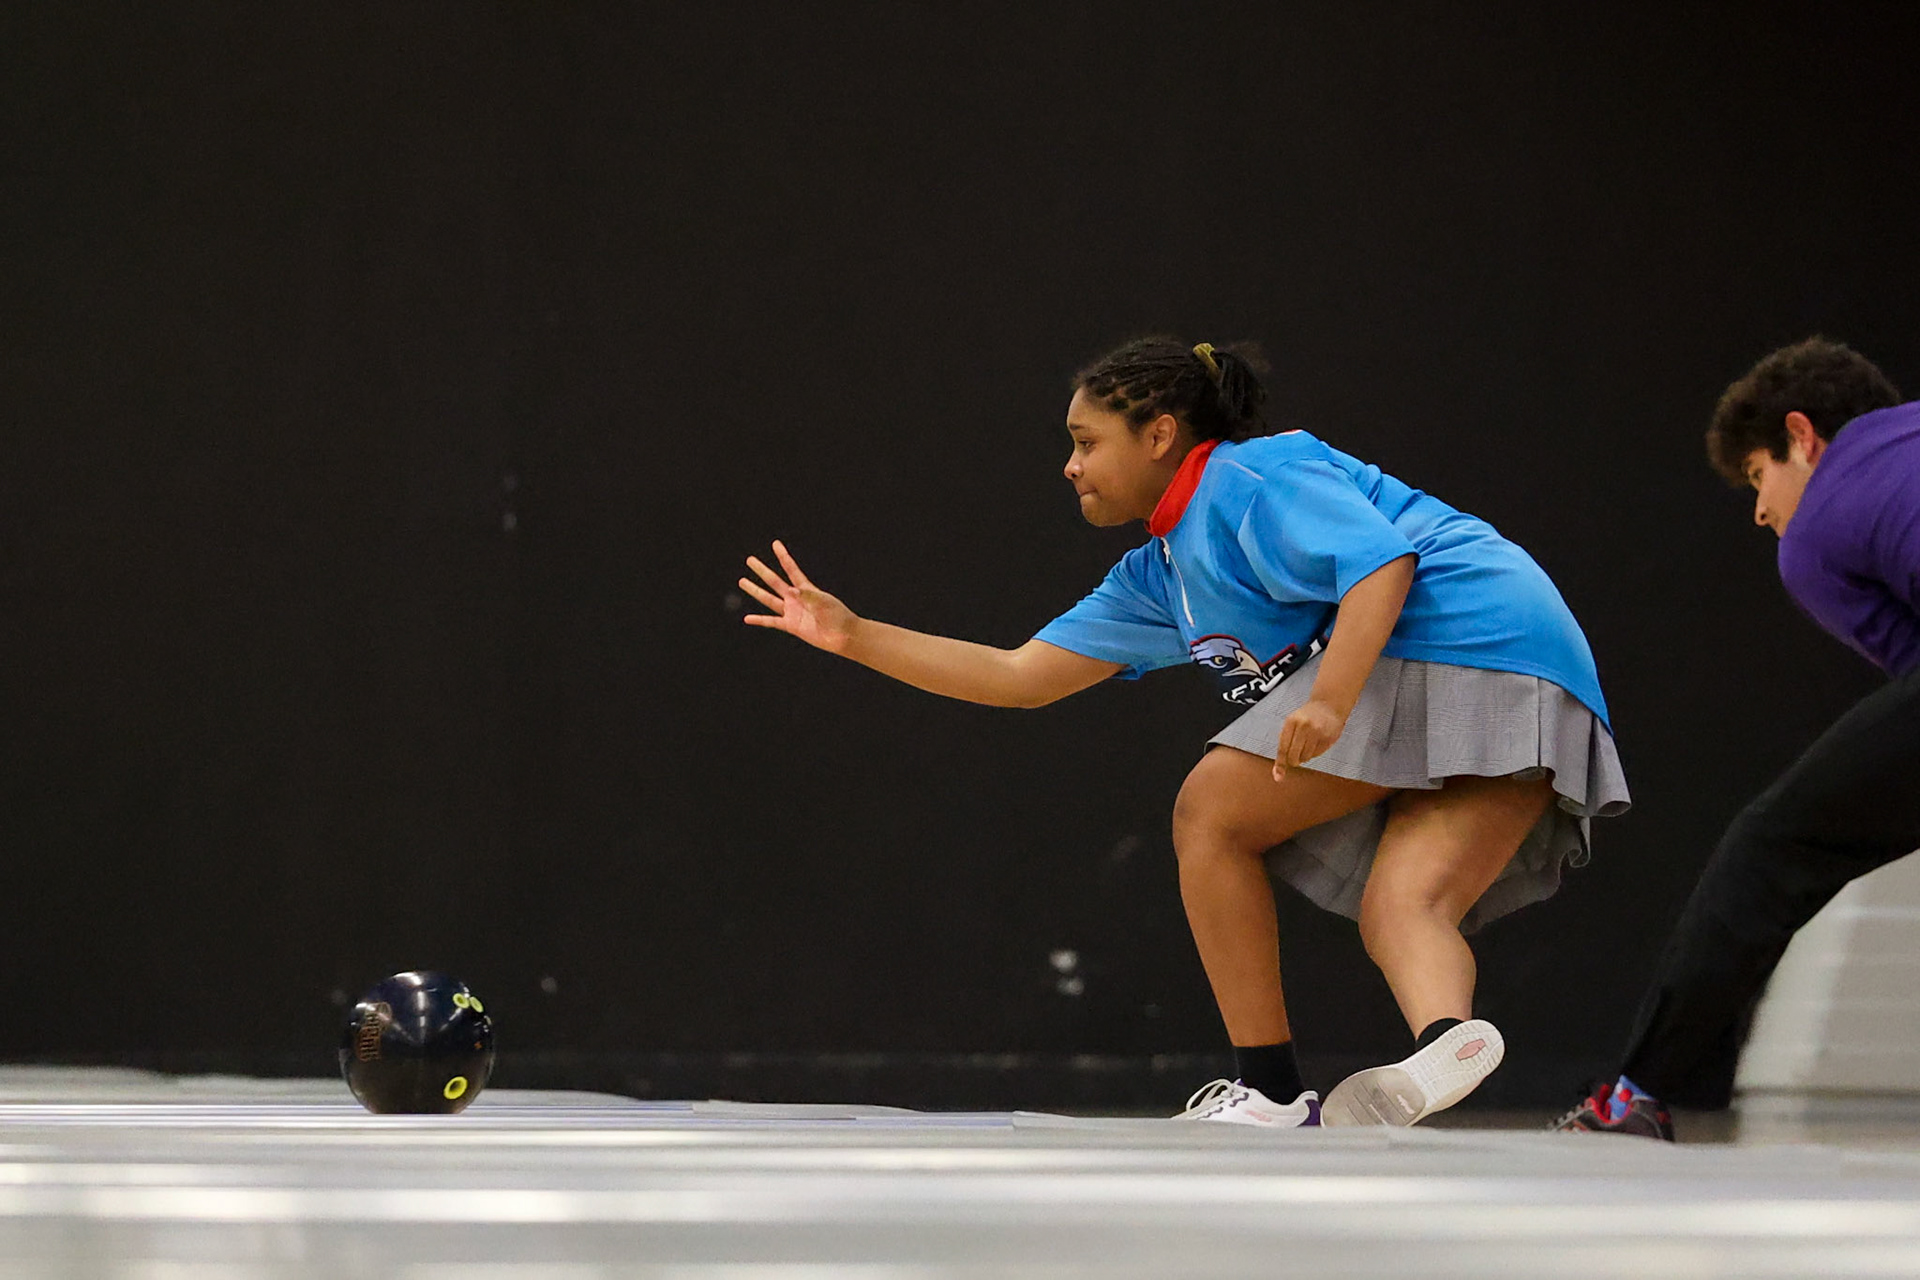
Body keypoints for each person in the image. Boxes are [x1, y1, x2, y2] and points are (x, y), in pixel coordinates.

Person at [742, 337, 1629, 1128]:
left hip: (1461, 627)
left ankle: (1271, 1090)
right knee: (1405, 903)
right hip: (1543, 668)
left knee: (1211, 812)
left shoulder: (1248, 477)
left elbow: (1383, 563)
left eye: (1087, 441)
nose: (1070, 466)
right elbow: (1020, 676)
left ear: (1160, 434)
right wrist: (855, 636)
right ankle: (1446, 1043)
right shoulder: (1158, 576)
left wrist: (1330, 701)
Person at [1556, 337, 1917, 1140]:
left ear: (1802, 435)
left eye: (1758, 476)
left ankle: (1638, 1094)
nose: (1760, 511)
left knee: (1772, 846)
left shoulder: (1816, 526)